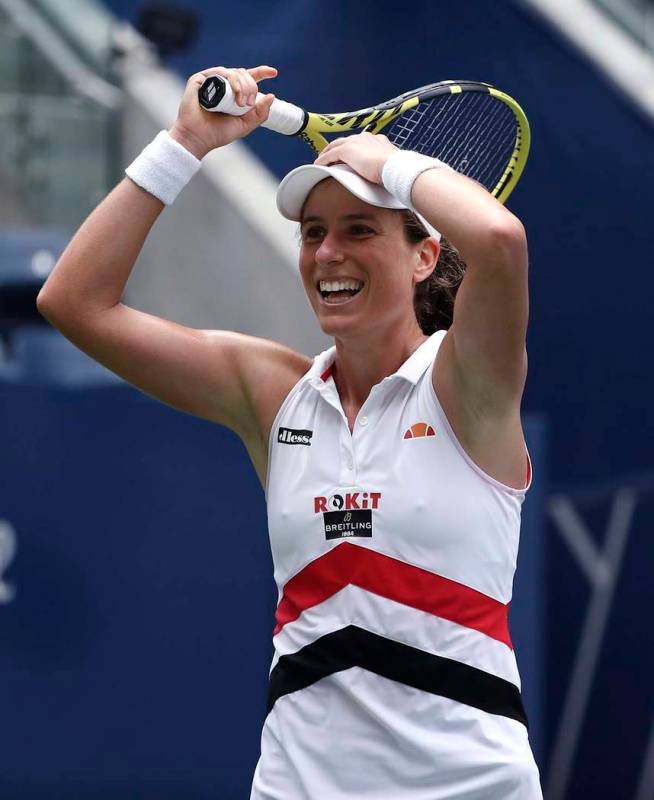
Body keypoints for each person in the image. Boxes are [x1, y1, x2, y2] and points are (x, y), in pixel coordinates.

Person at [37, 65, 542, 798]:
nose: (328, 254)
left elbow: (498, 237)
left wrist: (390, 165)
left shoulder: (471, 386)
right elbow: (74, 301)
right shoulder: (273, 395)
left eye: (359, 229)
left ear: (424, 256)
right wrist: (184, 143)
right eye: (313, 233)